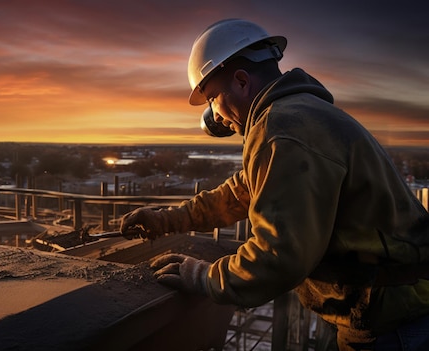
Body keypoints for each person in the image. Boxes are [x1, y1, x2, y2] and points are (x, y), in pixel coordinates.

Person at [120, 18, 429, 350]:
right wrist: (166, 219)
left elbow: (277, 258)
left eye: (212, 99)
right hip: (386, 310)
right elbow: (240, 192)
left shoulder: (282, 129)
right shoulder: (300, 116)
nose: (216, 117)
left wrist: (202, 277)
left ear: (240, 81)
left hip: (392, 323)